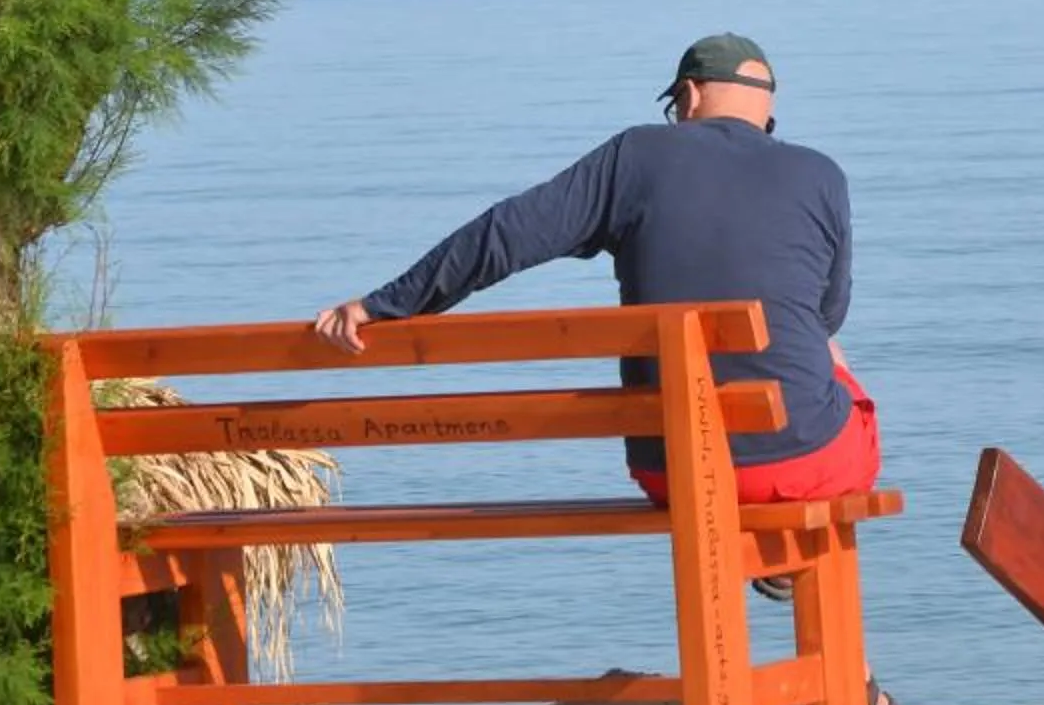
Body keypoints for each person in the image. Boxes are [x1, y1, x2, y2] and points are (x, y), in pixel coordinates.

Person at [312, 34, 881, 508]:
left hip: (673, 472)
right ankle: (778, 555)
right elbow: (828, 316)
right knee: (828, 358)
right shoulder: (820, 174)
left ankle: (763, 540)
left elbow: (504, 235)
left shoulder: (635, 156)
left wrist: (380, 305)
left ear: (689, 94)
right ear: (765, 110)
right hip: (803, 465)